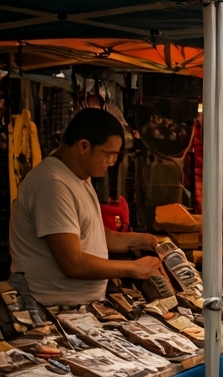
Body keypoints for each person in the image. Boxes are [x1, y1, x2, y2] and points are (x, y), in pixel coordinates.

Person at [9, 108, 160, 306]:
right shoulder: (52, 184)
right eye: (109, 154)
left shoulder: (78, 176)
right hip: (49, 310)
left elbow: (92, 234)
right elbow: (73, 264)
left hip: (77, 307)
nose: (112, 162)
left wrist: (145, 240)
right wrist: (132, 268)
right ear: (84, 146)